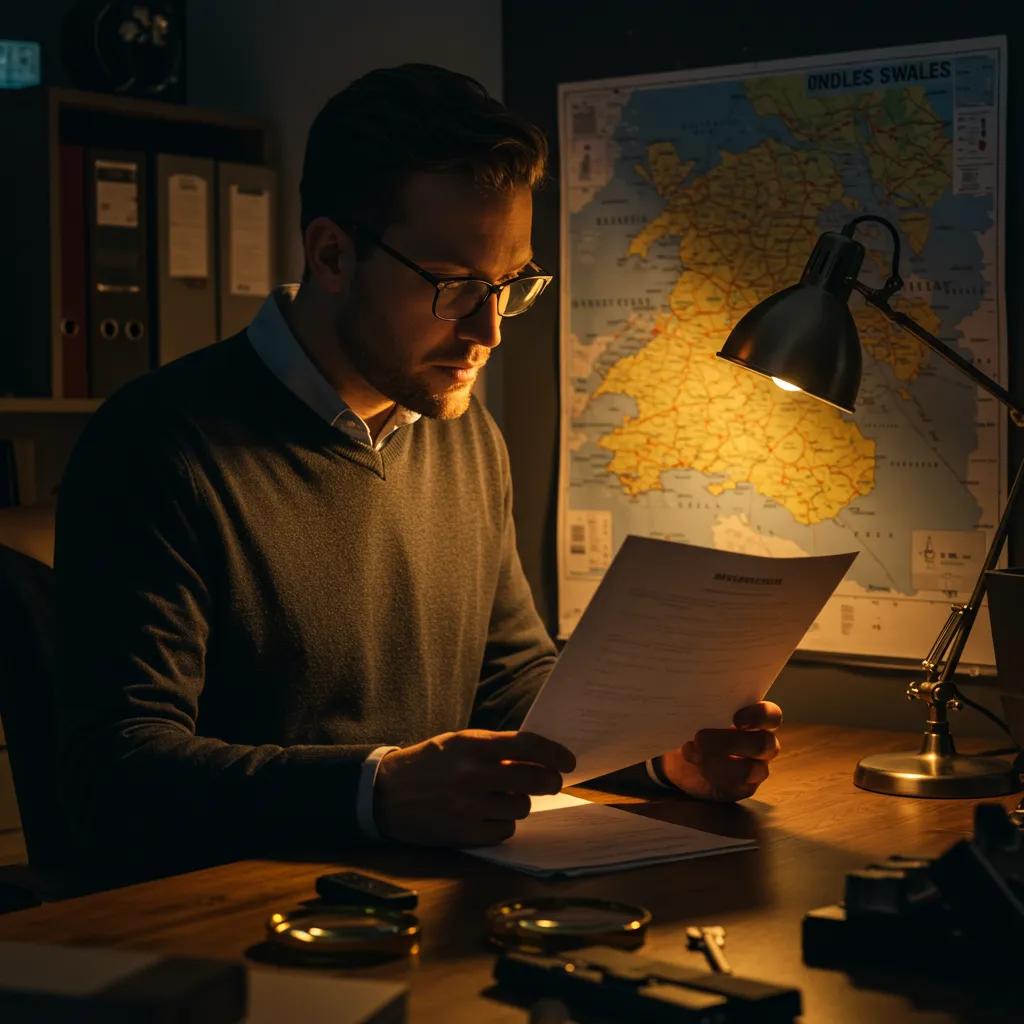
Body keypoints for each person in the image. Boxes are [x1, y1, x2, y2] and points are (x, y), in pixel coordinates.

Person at [54, 64, 782, 873]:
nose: (490, 331)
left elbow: (510, 686)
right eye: (458, 288)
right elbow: (116, 771)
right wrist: (374, 792)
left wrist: (663, 760)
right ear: (332, 255)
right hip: (234, 931)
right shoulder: (158, 444)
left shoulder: (463, 434)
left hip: (431, 904)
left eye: (512, 286)